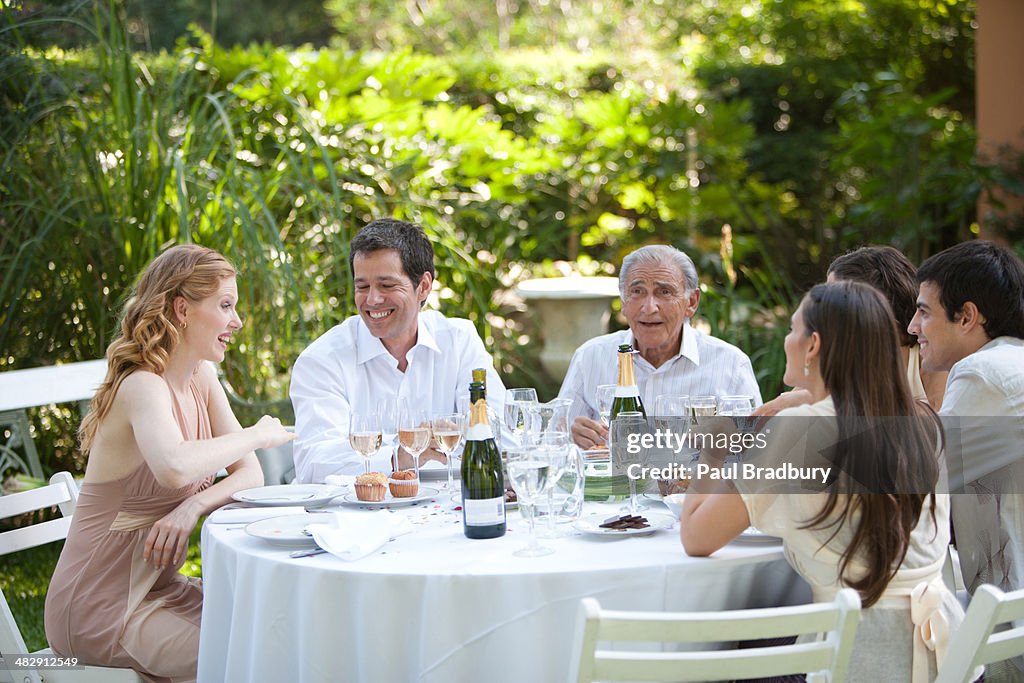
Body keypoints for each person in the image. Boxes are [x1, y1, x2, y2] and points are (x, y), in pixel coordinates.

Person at [681, 281, 964, 682]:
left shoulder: (799, 431)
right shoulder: (923, 422)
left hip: (858, 662)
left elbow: (696, 536)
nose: (786, 339)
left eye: (793, 329)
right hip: (949, 658)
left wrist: (712, 451)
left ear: (813, 345)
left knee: (724, 656)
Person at [44, 245, 295, 682]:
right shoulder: (141, 386)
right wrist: (257, 433)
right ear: (182, 309)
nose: (236, 322)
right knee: (250, 652)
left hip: (159, 591)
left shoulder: (202, 376)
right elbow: (175, 467)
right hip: (100, 607)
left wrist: (191, 508)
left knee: (277, 627)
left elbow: (249, 473)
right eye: (225, 305)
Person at [290, 218, 507, 482]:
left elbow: (497, 433)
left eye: (387, 285)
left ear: (423, 286)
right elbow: (315, 463)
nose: (372, 300)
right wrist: (399, 455)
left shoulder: (459, 342)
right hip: (351, 517)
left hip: (444, 508)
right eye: (362, 287)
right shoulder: (322, 360)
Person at [909, 240, 1024, 680]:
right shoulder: (1011, 362)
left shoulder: (983, 373)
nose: (912, 325)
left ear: (968, 317)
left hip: (1008, 638)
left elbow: (914, 479)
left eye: (923, 311)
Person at [558, 244, 761, 450]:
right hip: (613, 482)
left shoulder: (731, 364)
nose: (649, 307)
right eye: (637, 292)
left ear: (691, 302)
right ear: (623, 302)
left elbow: (756, 452)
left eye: (664, 292)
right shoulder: (591, 357)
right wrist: (571, 437)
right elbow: (554, 438)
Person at [756, 245, 946, 416]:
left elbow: (942, 421)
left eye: (835, 295)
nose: (821, 304)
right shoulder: (840, 355)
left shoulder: (928, 355)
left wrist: (815, 399)